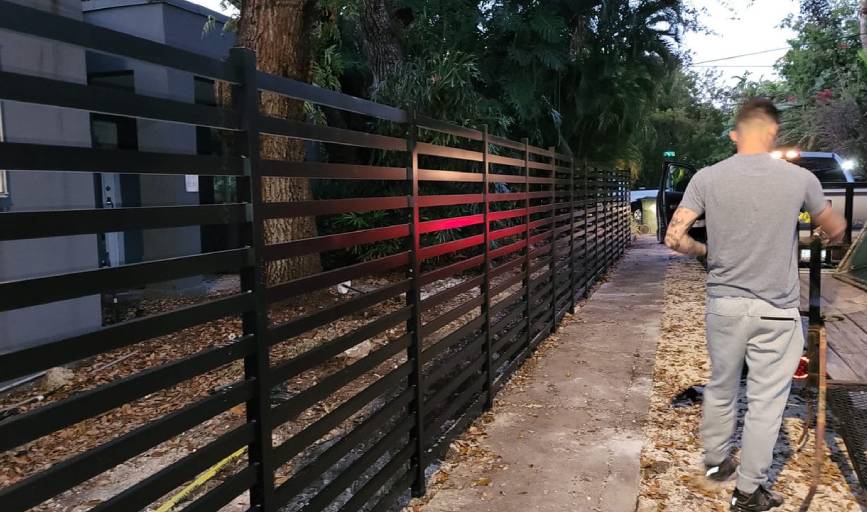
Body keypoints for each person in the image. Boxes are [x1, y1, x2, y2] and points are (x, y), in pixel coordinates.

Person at [663, 97, 846, 511]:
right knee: (766, 402)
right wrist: (824, 228)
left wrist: (704, 250)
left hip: (724, 306)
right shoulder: (799, 179)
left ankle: (715, 466)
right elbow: (834, 229)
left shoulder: (707, 178)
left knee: (722, 387)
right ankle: (748, 492)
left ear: (734, 134)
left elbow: (674, 239)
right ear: (772, 133)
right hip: (776, 311)